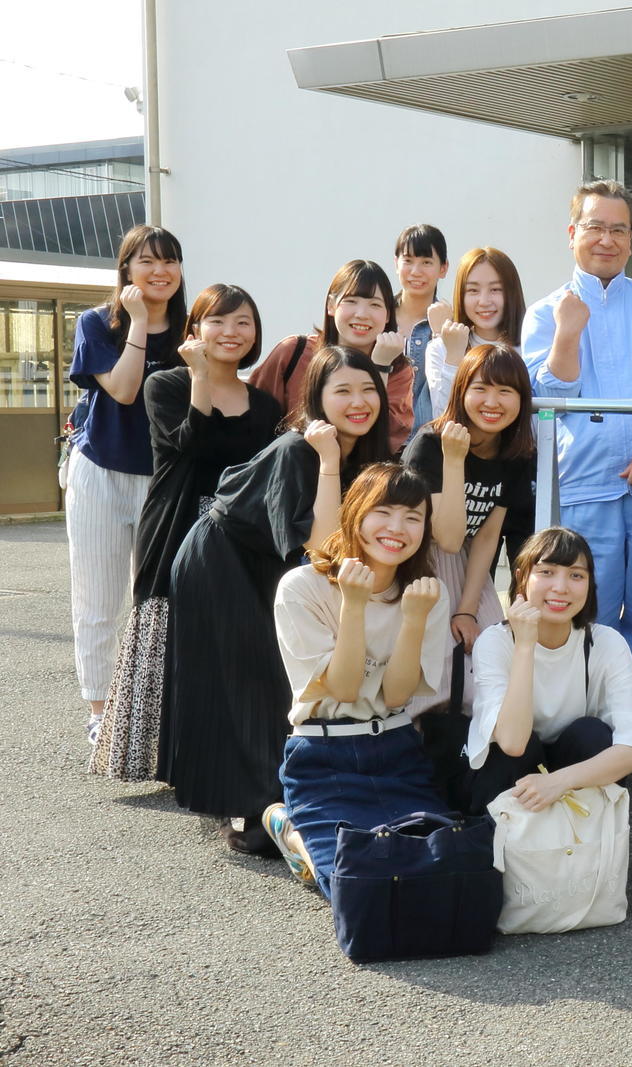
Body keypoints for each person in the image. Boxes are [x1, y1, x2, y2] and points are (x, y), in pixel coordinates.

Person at [161, 346, 391, 854]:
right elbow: (319, 548)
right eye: (343, 391)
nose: (359, 401)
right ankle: (255, 814)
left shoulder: (365, 457)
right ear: (317, 398)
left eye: (368, 389)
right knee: (251, 681)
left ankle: (276, 801)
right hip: (219, 560)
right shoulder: (297, 449)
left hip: (263, 562)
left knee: (269, 679)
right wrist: (328, 462)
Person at [90, 284, 281, 784]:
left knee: (228, 638)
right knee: (168, 633)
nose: (231, 332)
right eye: (218, 321)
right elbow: (190, 444)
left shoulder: (263, 404)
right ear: (195, 329)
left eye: (243, 322)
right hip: (178, 525)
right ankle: (160, 758)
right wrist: (198, 376)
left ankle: (216, 754)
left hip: (238, 533)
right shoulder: (166, 385)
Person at [522, 180, 632, 693]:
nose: (607, 239)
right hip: (583, 484)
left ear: (631, 239)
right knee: (583, 605)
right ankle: (583, 717)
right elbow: (551, 395)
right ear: (572, 232)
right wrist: (568, 333)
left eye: (619, 230)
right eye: (596, 227)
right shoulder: (544, 311)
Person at [262, 463, 450, 892]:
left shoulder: (425, 594)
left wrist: (415, 619)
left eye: (413, 517)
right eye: (383, 512)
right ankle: (294, 831)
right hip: (324, 755)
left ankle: (305, 834)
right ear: (354, 513)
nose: (397, 528)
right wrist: (355, 604)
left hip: (397, 751)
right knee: (360, 888)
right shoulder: (301, 587)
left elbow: (399, 694)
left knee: (436, 876)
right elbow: (344, 689)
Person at [66, 225, 186, 743]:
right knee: (98, 596)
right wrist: (138, 321)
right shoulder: (97, 323)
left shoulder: (192, 327)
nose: (160, 271)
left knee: (161, 601)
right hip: (101, 473)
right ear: (126, 270)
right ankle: (100, 714)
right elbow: (122, 389)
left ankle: (155, 714)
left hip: (165, 481)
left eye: (170, 261)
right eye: (147, 261)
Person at [457, 526, 632, 816]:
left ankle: (584, 849)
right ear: (521, 579)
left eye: (576, 575)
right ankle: (498, 853)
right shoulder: (495, 641)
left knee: (593, 734)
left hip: (571, 773)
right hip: (506, 779)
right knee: (516, 746)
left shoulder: (606, 642)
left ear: (590, 584)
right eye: (547, 572)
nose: (561, 588)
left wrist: (556, 782)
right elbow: (513, 743)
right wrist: (525, 645)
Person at [402, 342, 534, 706]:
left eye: (505, 391)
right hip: (420, 563)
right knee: (432, 676)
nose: (492, 402)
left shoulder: (516, 455)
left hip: (469, 566)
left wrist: (467, 608)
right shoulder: (431, 444)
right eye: (480, 388)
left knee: (492, 652)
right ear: (461, 392)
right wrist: (455, 460)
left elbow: (488, 536)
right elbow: (445, 537)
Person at [249, 260, 413, 453]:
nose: (362, 314)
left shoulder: (398, 368)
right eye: (351, 301)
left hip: (356, 479)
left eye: (375, 305)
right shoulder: (294, 351)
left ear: (387, 315)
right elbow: (253, 416)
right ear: (331, 306)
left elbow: (384, 441)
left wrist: (381, 367)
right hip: (292, 471)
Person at [425, 246, 527, 415]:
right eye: (473, 290)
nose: (484, 301)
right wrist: (454, 357)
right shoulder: (440, 348)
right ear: (461, 295)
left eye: (495, 289)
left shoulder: (530, 346)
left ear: (511, 293)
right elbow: (442, 416)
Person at [393, 224, 450, 437]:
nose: (416, 271)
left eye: (426, 262)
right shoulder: (378, 316)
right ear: (396, 263)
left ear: (443, 268)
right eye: (408, 261)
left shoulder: (451, 323)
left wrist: (440, 335)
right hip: (379, 441)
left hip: (427, 443)